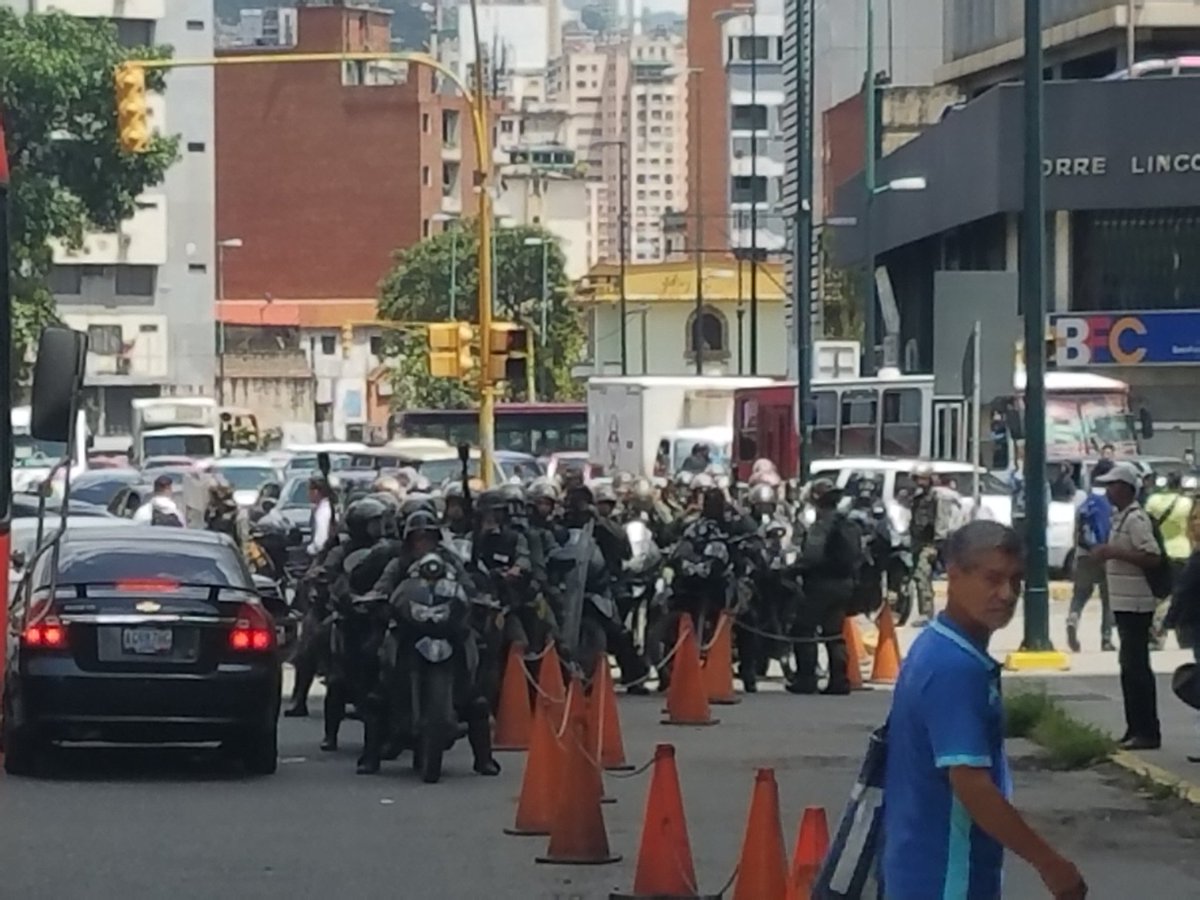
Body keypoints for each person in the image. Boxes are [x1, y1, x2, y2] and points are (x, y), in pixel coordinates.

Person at [882, 520, 1086, 900]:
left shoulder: (934, 646)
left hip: (918, 867)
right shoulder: (956, 667)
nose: (1006, 594)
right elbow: (972, 785)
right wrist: (1049, 863)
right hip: (947, 877)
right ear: (955, 576)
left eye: (1016, 580)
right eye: (992, 579)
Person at [1093, 461, 1163, 750]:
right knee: (1129, 667)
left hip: (1136, 604)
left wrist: (1114, 552)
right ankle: (1134, 728)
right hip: (1124, 603)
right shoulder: (1119, 518)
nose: (1108, 491)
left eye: (1112, 485)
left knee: (1136, 669)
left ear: (1125, 488)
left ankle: (1146, 731)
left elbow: (1152, 556)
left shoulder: (1136, 520)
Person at [788, 479, 856, 695]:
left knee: (803, 629)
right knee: (833, 633)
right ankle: (840, 680)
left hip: (821, 584)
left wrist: (793, 570)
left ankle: (806, 679)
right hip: (845, 585)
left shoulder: (821, 524)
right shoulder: (847, 522)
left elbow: (812, 556)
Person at [1067, 458, 1115, 653]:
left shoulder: (1082, 497)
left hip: (1085, 553)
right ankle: (1106, 639)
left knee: (1080, 594)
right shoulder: (1112, 499)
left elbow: (1077, 529)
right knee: (1108, 599)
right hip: (1107, 554)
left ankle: (1073, 617)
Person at [1146, 471, 1193, 648]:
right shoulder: (1186, 503)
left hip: (1159, 550)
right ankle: (1178, 634)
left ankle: (1158, 635)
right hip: (1182, 550)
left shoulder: (1153, 501)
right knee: (1179, 595)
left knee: (1160, 595)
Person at [307, 475, 334, 557]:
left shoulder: (323, 512)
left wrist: (309, 549)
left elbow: (320, 543)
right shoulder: (329, 507)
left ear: (315, 492)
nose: (307, 494)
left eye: (308, 490)